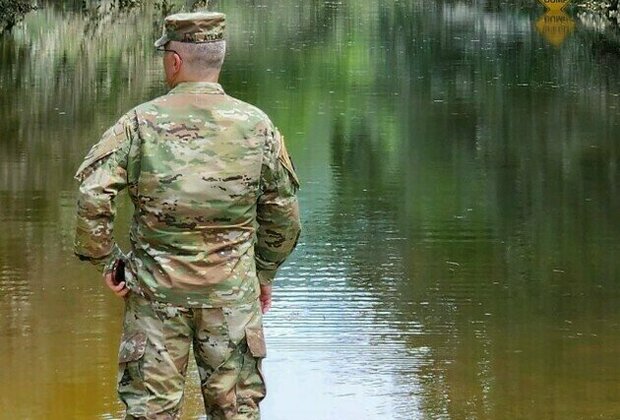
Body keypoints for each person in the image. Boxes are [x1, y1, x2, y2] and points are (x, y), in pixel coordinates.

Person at [73, 11, 301, 419]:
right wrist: (262, 273)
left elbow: (92, 195)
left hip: (155, 298)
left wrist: (109, 261)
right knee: (235, 411)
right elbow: (284, 218)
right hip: (231, 297)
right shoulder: (257, 126)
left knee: (151, 413)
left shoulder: (139, 124)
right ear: (218, 59)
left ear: (174, 61)